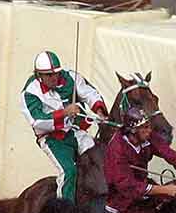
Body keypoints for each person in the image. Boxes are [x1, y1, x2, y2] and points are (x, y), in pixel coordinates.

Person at [20, 50, 109, 202]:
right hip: (52, 138)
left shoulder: (70, 77)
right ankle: (64, 210)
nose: (54, 78)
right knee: (68, 171)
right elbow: (38, 122)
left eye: (56, 73)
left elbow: (89, 93)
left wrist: (99, 111)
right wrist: (64, 113)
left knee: (100, 153)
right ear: (39, 75)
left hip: (74, 132)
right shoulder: (30, 92)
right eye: (49, 75)